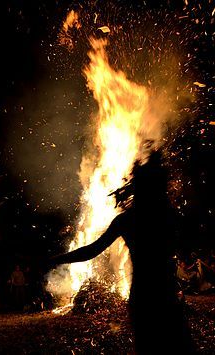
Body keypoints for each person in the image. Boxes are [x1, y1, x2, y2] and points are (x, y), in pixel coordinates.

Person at [49, 149, 196, 355]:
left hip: (145, 295)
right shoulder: (168, 215)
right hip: (164, 292)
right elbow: (184, 244)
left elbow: (92, 250)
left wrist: (57, 259)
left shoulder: (128, 219)